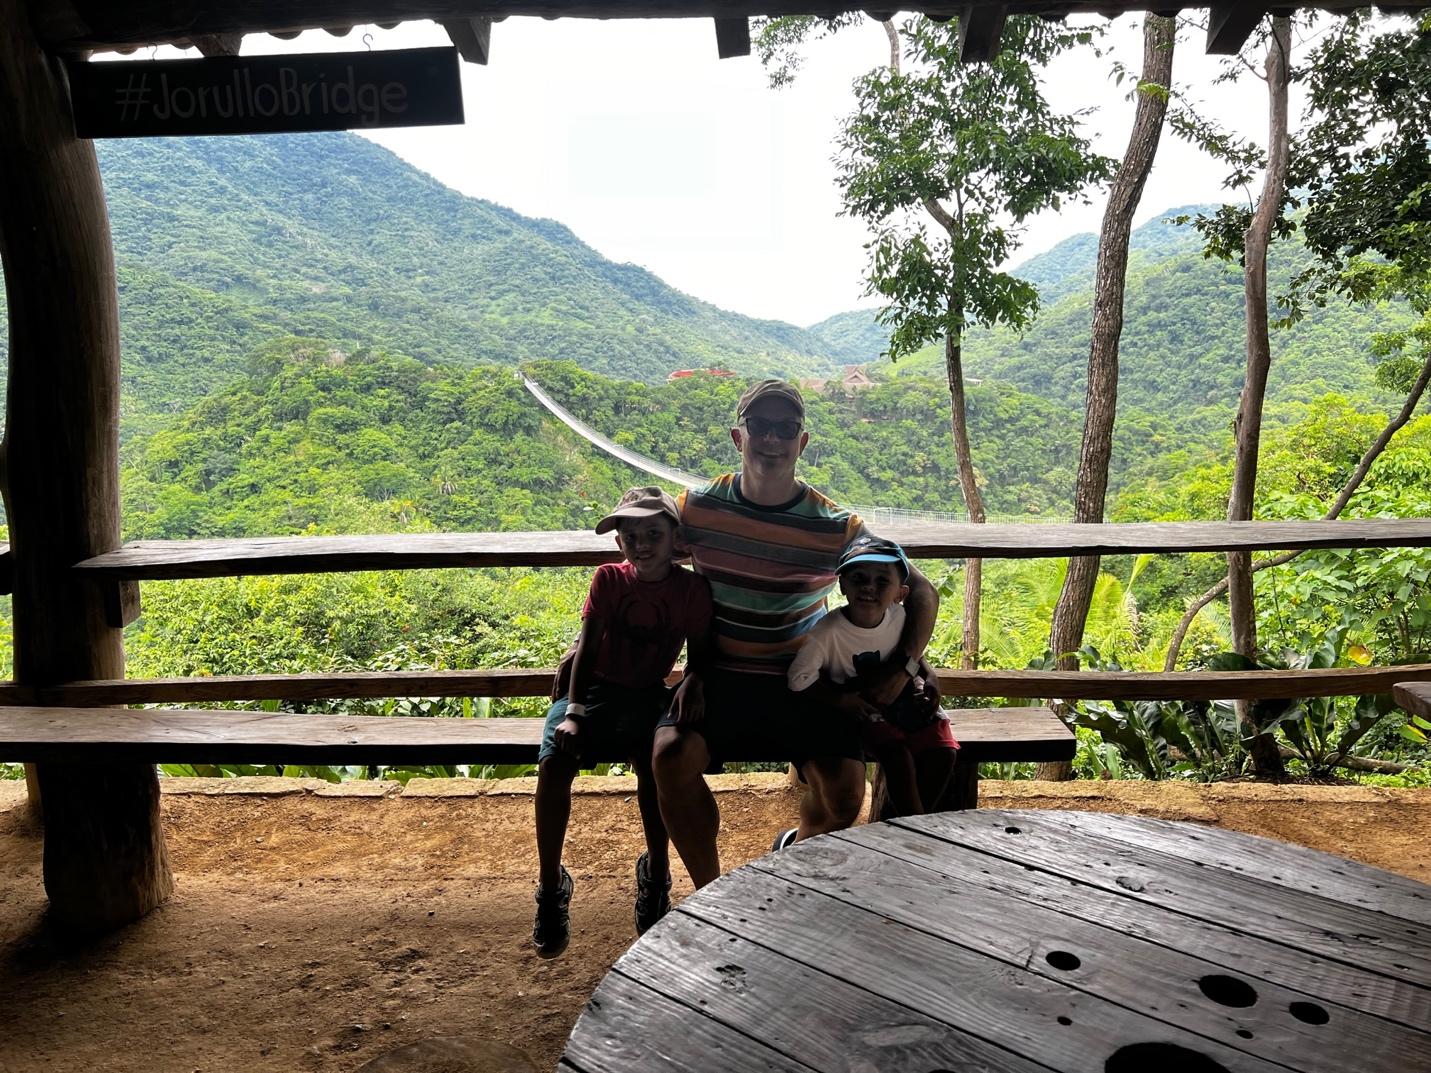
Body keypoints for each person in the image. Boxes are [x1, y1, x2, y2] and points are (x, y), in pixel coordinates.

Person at [652, 379, 938, 888]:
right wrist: (590, 641)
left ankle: (793, 859)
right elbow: (643, 562)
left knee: (845, 798)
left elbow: (921, 592)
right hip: (719, 677)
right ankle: (712, 894)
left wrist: (905, 667)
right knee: (669, 759)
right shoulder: (696, 509)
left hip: (806, 680)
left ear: (801, 443)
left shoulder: (836, 526)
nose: (772, 439)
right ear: (738, 437)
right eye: (760, 426)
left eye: (786, 429)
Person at [532, 486, 714, 957]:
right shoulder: (609, 579)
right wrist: (573, 712)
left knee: (655, 766)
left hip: (647, 693)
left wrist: (692, 679)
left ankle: (655, 871)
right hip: (592, 690)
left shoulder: (691, 588)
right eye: (630, 536)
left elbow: (701, 652)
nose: (641, 544)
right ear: (619, 544)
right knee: (554, 765)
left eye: (653, 533)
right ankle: (550, 886)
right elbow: (589, 647)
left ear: (676, 539)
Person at [786, 535, 959, 819]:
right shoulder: (827, 633)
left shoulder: (900, 619)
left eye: (882, 581)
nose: (869, 586)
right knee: (898, 758)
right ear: (842, 585)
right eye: (859, 578)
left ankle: (910, 824)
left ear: (900, 594)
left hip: (903, 700)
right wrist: (842, 701)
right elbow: (798, 678)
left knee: (944, 753)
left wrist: (927, 674)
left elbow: (912, 654)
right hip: (863, 708)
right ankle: (916, 829)